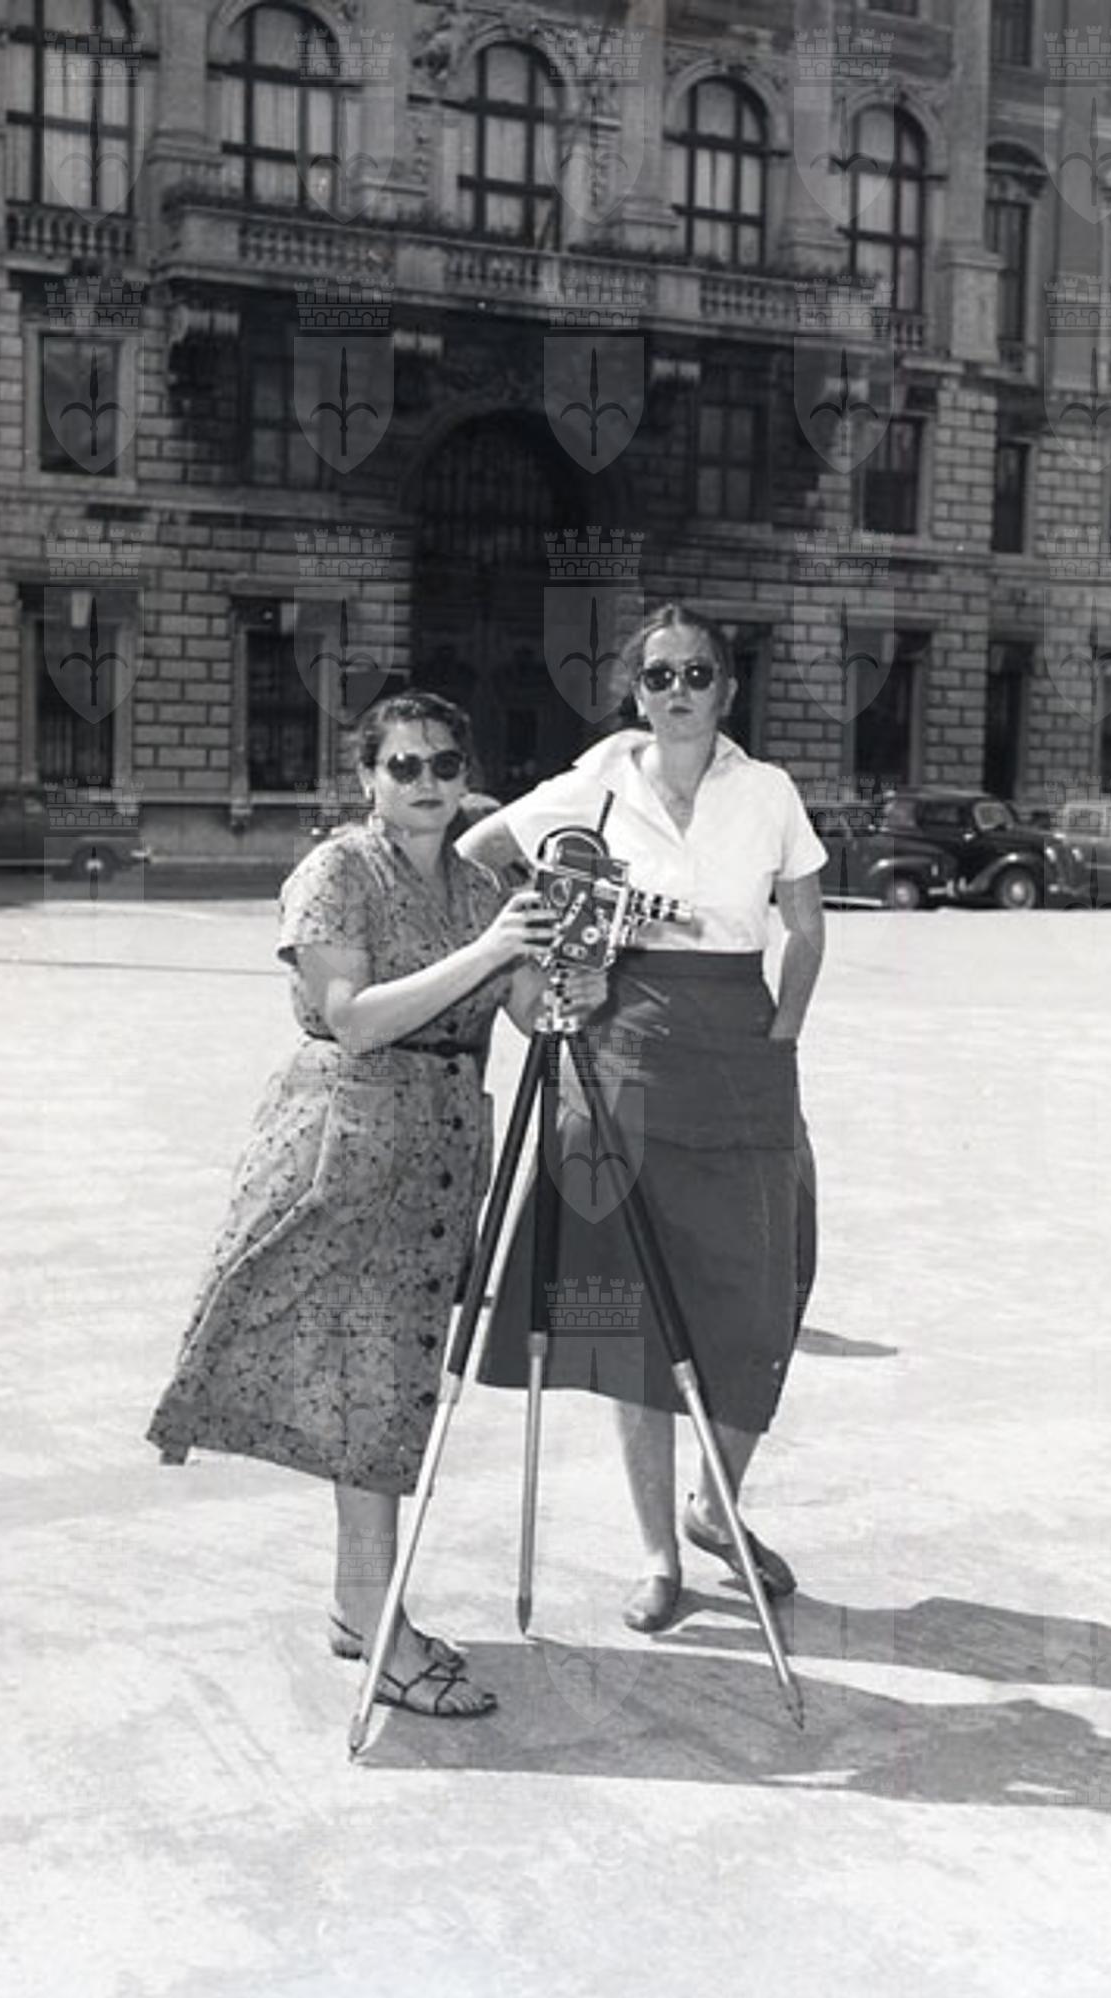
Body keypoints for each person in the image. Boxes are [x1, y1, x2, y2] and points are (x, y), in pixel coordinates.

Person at [146, 690, 604, 1717]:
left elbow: (531, 1013)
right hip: (344, 1144)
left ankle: (361, 1605)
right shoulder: (338, 871)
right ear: (366, 777)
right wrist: (490, 951)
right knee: (371, 1381)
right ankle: (372, 1614)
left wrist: (576, 980)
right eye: (403, 765)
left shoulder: (485, 881)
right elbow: (351, 1018)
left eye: (445, 763)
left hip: (442, 1145)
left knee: (392, 1382)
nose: (427, 781)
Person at [459, 604, 828, 1632]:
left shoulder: (767, 790)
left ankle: (716, 1505)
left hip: (743, 1047)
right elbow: (482, 847)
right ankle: (658, 1552)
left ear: (728, 688)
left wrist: (783, 1030)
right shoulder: (595, 783)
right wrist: (552, 940)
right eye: (658, 675)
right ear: (635, 689)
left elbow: (804, 927)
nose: (678, 692)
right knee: (632, 1304)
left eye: (697, 673)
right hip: (621, 1046)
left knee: (759, 1295)